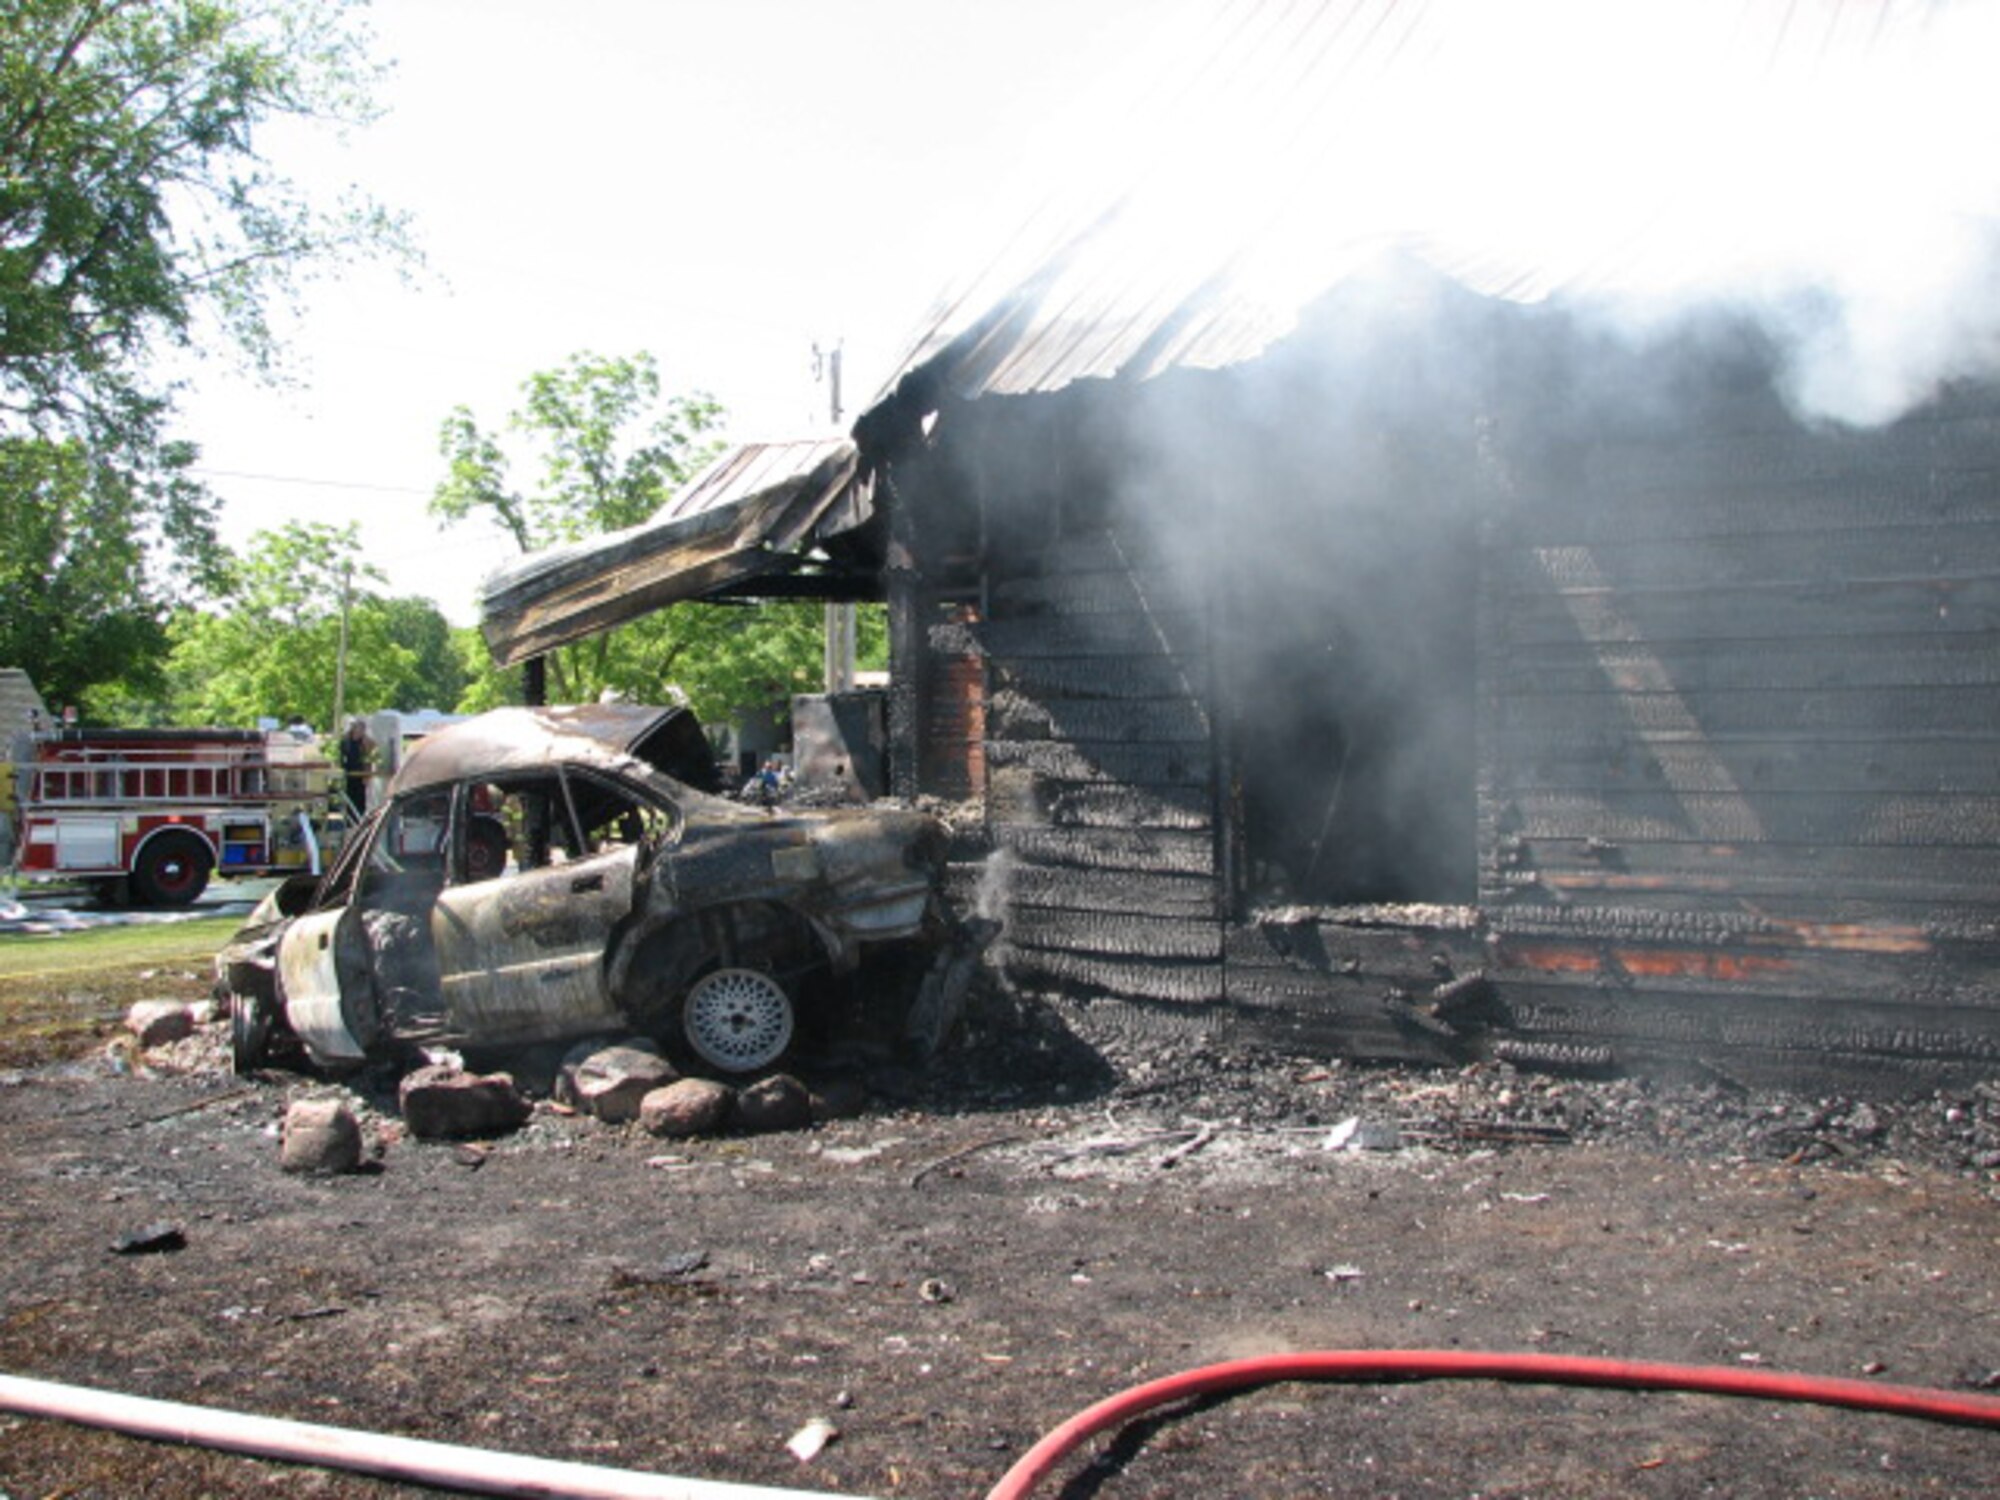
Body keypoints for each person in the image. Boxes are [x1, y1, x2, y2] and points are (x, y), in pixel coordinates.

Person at [338, 718, 375, 816]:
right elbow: (341, 755)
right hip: (348, 772)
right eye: (359, 729)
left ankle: (359, 817)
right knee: (349, 796)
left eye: (363, 729)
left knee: (360, 798)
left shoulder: (367, 742)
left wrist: (367, 774)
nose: (361, 731)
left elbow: (370, 759)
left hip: (361, 773)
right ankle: (349, 817)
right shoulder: (345, 740)